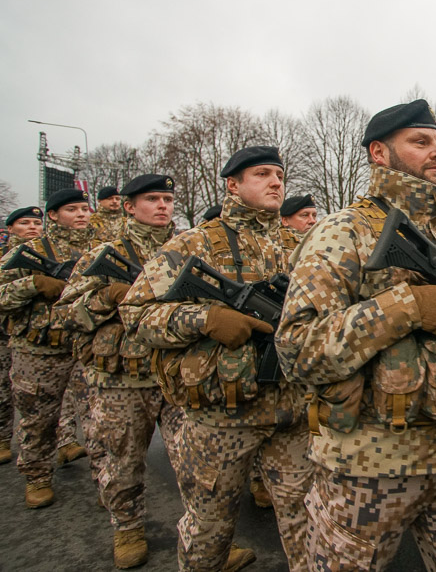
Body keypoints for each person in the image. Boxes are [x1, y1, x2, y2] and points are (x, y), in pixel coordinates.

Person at [275, 99, 436, 571]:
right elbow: (298, 348)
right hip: (368, 471)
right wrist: (407, 307)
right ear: (379, 153)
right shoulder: (344, 231)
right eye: (420, 142)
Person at [119, 147, 312, 571]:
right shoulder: (195, 242)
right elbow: (136, 313)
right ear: (233, 185)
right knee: (210, 527)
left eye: (279, 174)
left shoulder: (301, 245)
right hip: (220, 417)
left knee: (309, 522)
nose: (276, 182)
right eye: (262, 174)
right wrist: (205, 317)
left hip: (293, 412)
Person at [53, 174, 187, 569]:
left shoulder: (188, 248)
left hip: (177, 375)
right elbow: (65, 315)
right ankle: (127, 527)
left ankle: (204, 538)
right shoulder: (105, 253)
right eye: (152, 199)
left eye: (167, 198)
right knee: (123, 462)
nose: (163, 206)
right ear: (129, 206)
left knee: (197, 465)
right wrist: (107, 297)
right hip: (121, 380)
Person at [0, 188, 99, 507]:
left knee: (99, 419)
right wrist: (32, 284)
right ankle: (37, 476)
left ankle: (107, 481)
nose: (81, 214)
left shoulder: (99, 250)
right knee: (38, 418)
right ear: (53, 215)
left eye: (84, 208)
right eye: (71, 209)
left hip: (85, 347)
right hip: (39, 350)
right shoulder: (32, 251)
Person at [0, 206, 44, 465]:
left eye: (36, 223)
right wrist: (28, 286)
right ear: (10, 228)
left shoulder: (47, 255)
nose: (32, 227)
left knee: (34, 396)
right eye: (24, 223)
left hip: (31, 335)